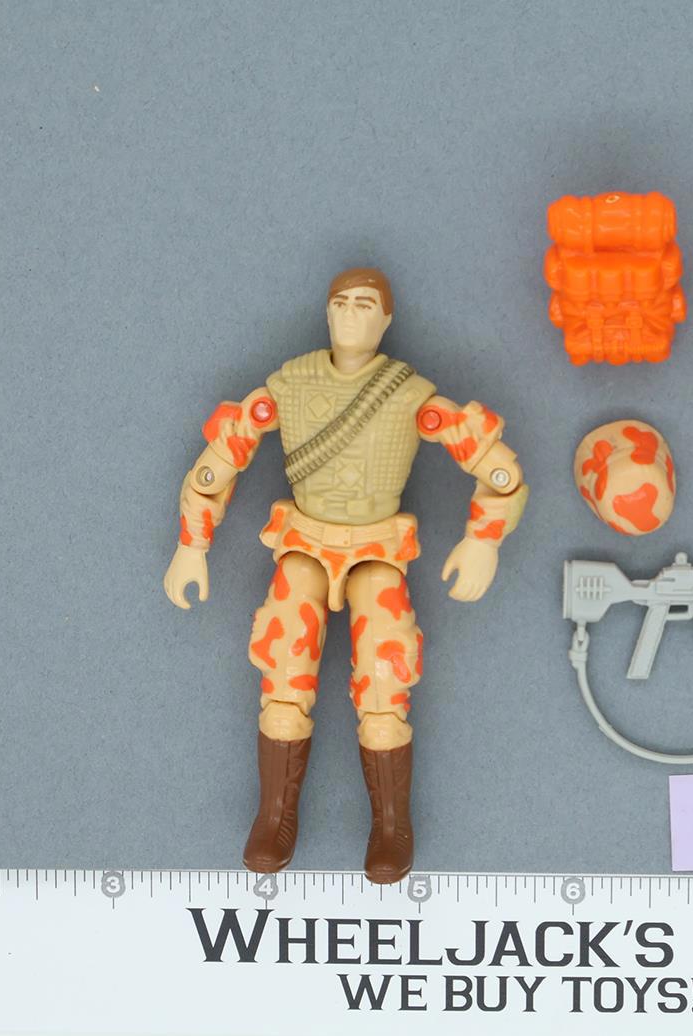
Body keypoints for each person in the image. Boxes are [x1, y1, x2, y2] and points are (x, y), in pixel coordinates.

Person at [162, 267, 528, 882]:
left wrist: (482, 540)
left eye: (365, 305)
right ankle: (274, 815)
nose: (352, 314)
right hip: (304, 543)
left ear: (387, 319)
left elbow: (499, 470)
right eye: (341, 303)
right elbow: (220, 458)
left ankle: (391, 826)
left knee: (386, 679)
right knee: (284, 665)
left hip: (377, 550)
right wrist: (191, 544)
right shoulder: (290, 383)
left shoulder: (410, 395)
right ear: (327, 313)